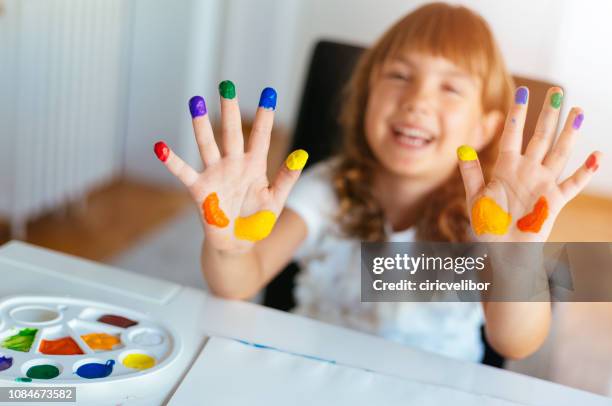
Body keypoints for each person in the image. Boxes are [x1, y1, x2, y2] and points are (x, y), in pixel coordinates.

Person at [154, 3, 602, 362]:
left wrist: (513, 260)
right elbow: (237, 283)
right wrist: (230, 246)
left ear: (485, 128)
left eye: (450, 88)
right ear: (366, 99)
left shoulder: (485, 219)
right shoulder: (328, 190)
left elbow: (516, 343)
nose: (417, 100)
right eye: (399, 76)